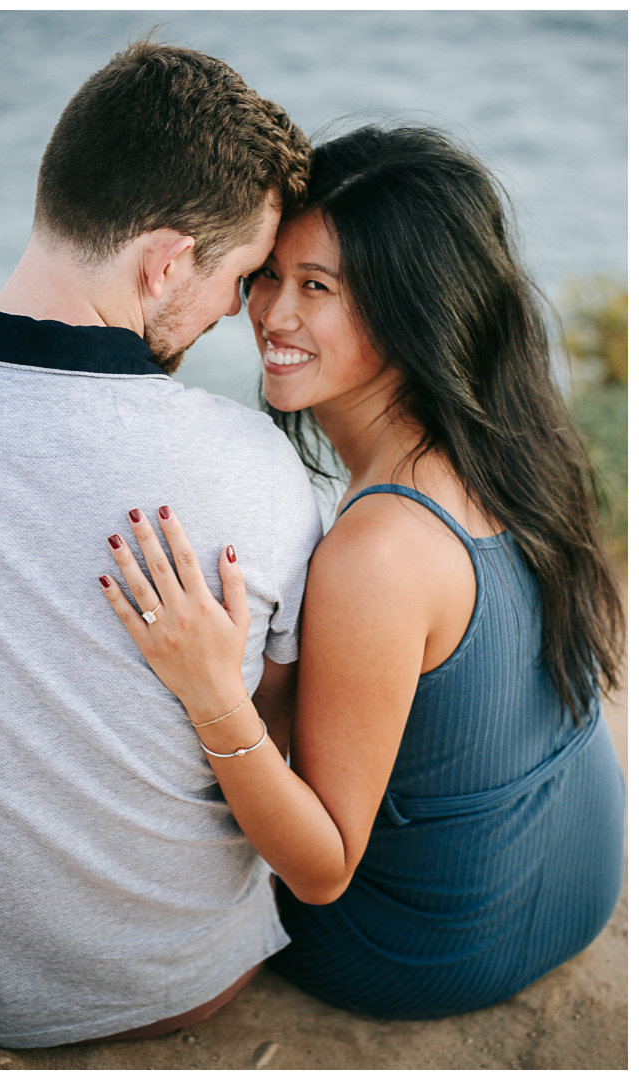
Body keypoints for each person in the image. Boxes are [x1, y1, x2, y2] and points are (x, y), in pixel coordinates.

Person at [96, 125, 626, 1020]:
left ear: (413, 309)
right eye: (268, 274)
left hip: (429, 946)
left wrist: (208, 691)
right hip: (579, 884)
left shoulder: (377, 553)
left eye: (319, 289)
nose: (272, 313)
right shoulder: (508, 447)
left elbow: (324, 868)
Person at [0, 40, 323, 1048]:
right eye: (240, 280)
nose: (241, 314)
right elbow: (275, 745)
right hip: (170, 981)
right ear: (166, 262)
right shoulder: (255, 470)